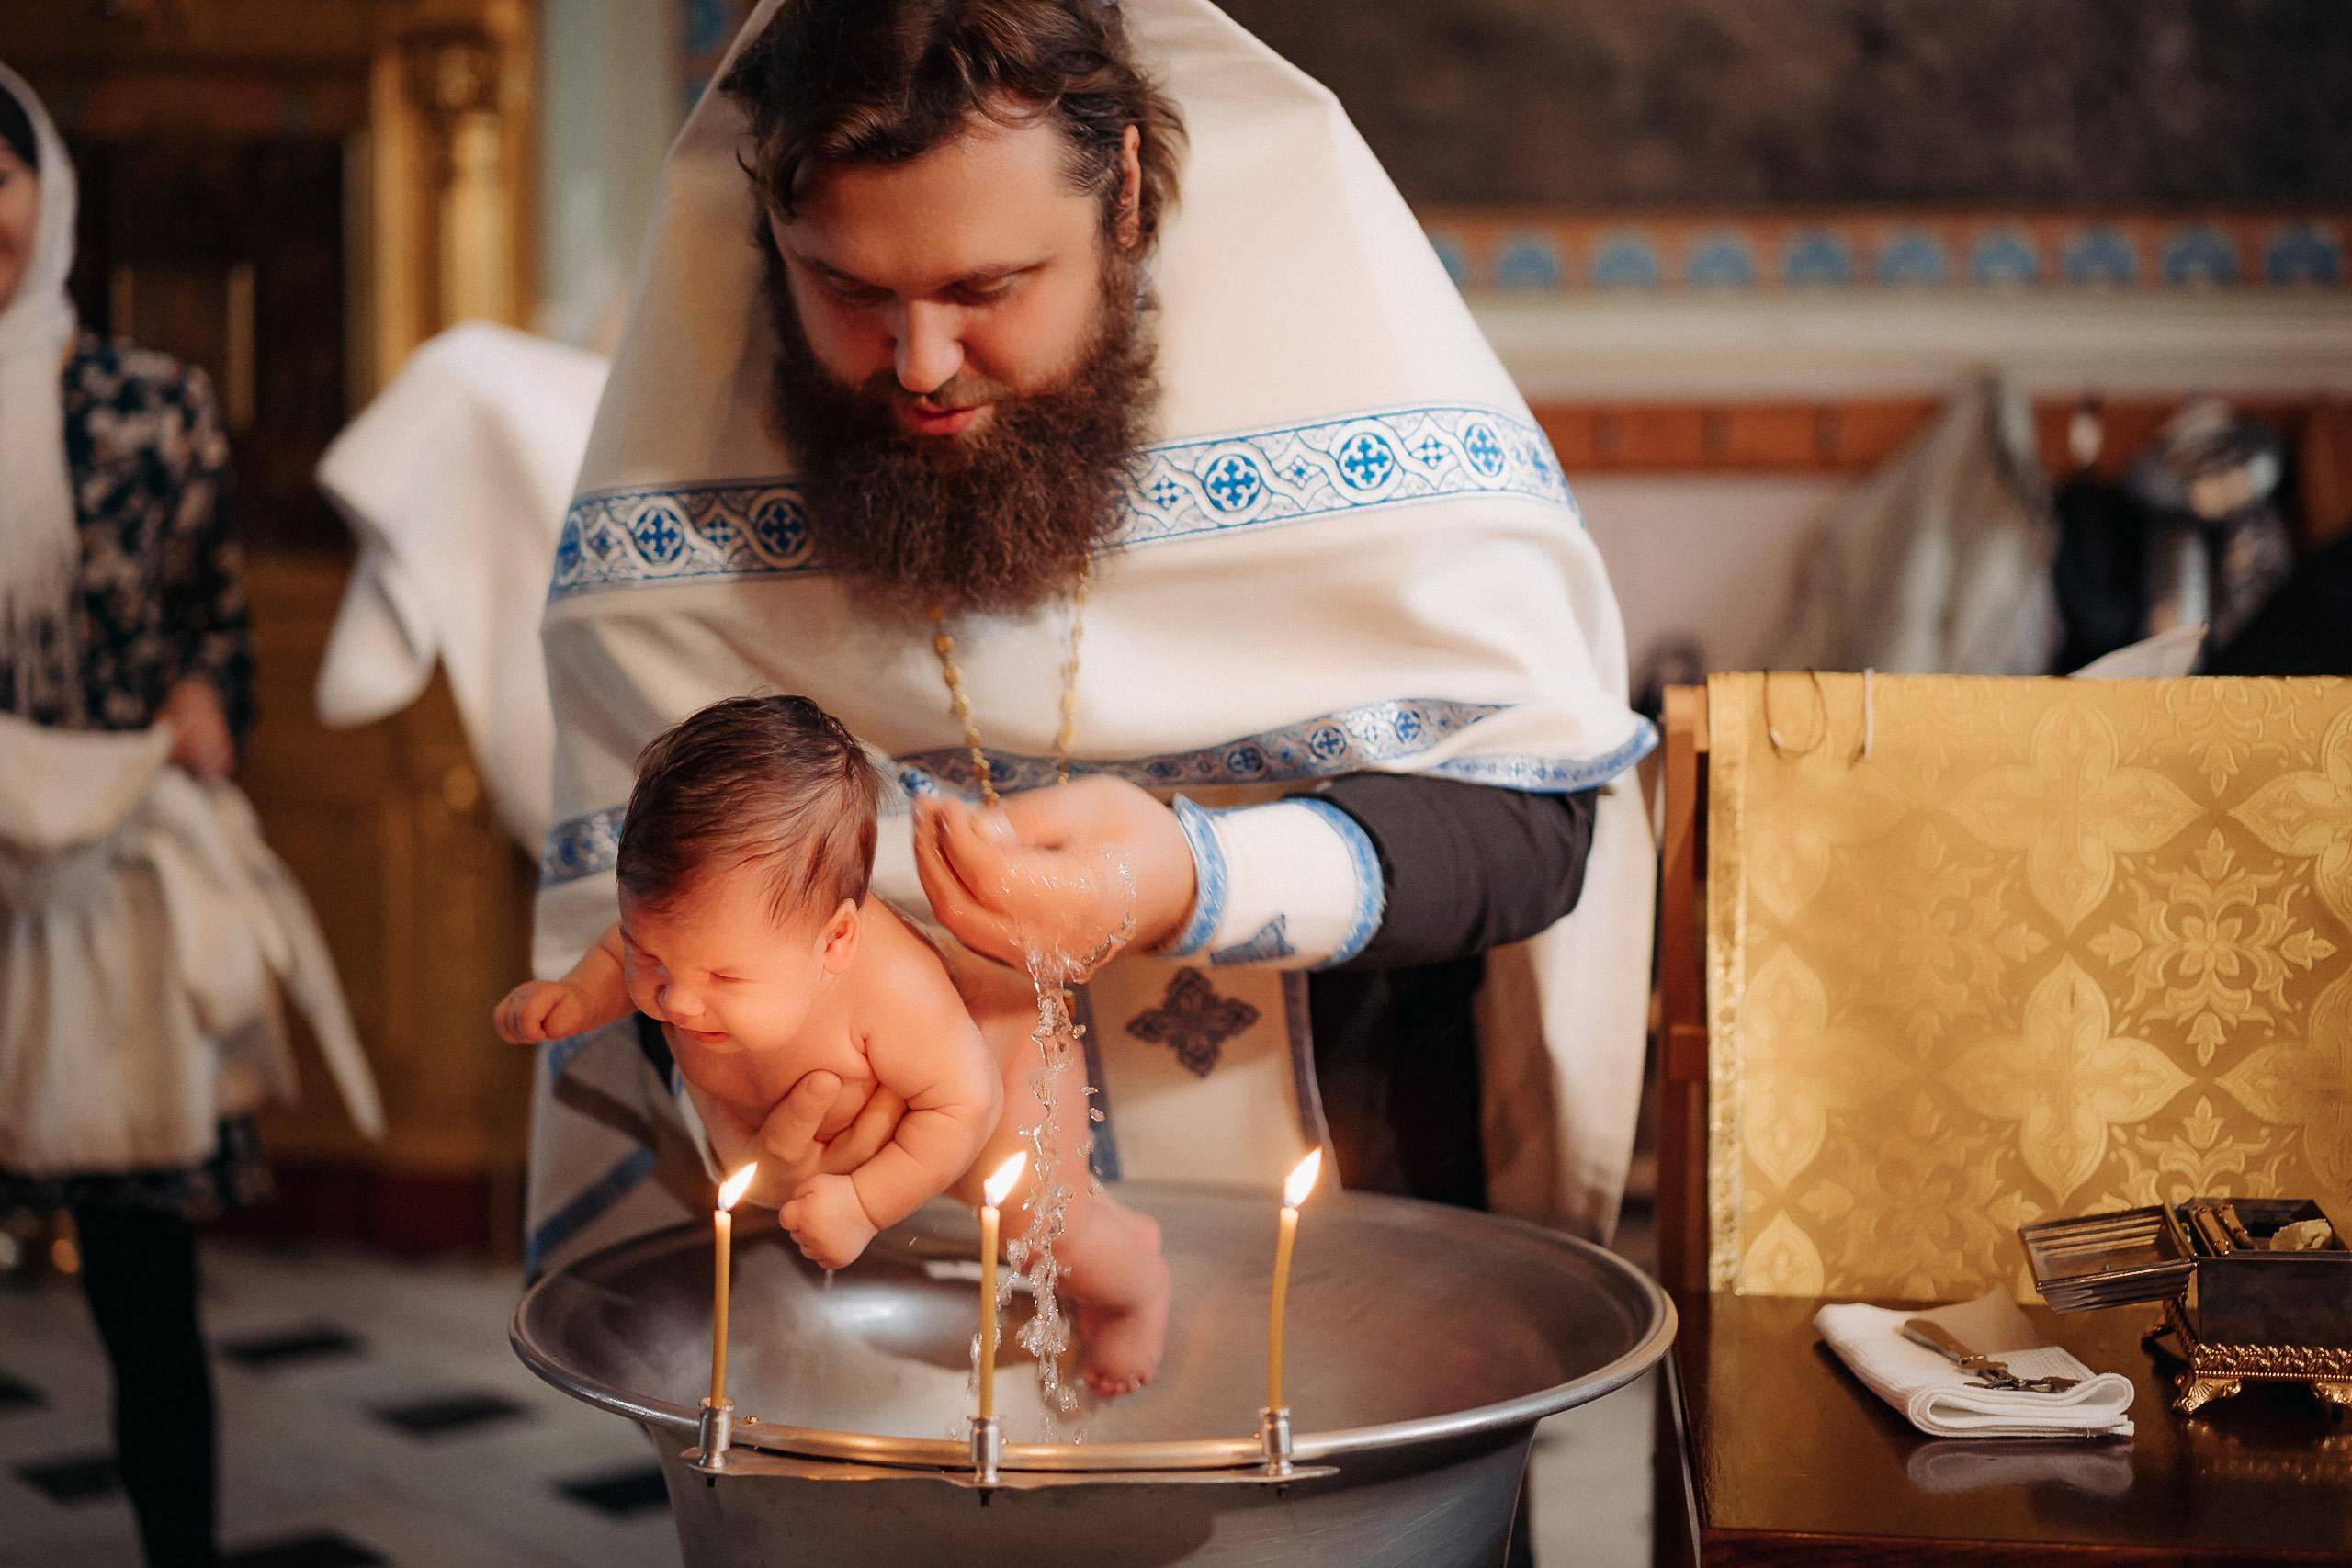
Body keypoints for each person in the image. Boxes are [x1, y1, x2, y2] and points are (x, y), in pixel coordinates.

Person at [524, 0, 1654, 1344]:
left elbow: (1534, 817)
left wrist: (1192, 875)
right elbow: (633, 912)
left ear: (1122, 196)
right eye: (848, 291)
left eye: (986, 290)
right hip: (879, 1301)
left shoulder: (1366, 421)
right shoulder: (692, 523)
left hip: (1353, 1252)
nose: (922, 365)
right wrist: (737, 1048)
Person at [496, 694, 1170, 1392]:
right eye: (651, 959)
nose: (678, 1000)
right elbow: (617, 948)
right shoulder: (699, 941)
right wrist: (577, 995)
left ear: (836, 940)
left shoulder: (893, 994)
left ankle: (1134, 1287)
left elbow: (967, 1102)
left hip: (1005, 1075)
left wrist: (863, 1204)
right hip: (873, 1116)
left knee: (1046, 1226)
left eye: (724, 975)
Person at [1, 63, 243, 1568]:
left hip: (100, 890)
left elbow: (219, 624)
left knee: (145, 1292)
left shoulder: (154, 406)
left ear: (44, 191)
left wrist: (212, 696)